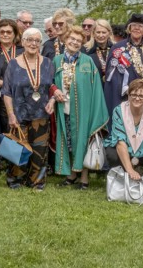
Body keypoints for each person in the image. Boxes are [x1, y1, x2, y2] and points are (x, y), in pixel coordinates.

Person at [52, 26, 109, 189]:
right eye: (72, 39)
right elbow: (51, 83)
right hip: (64, 110)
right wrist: (55, 92)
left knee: (83, 141)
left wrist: (95, 112)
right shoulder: (57, 61)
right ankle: (71, 174)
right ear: (65, 40)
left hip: (84, 110)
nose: (75, 43)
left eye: (79, 41)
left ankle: (84, 178)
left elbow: (97, 88)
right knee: (69, 141)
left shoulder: (87, 61)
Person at [2, 28, 57, 191]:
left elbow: (53, 86)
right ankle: (15, 180)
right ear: (23, 42)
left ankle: (36, 182)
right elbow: (6, 92)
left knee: (39, 151)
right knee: (18, 147)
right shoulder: (13, 64)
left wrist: (53, 100)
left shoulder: (47, 63)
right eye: (30, 40)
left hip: (41, 114)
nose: (33, 44)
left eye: (37, 41)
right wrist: (11, 114)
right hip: (19, 114)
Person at [102, 13, 143, 117]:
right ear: (129, 28)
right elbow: (113, 78)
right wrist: (132, 92)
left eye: (140, 26)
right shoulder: (118, 49)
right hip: (124, 98)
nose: (137, 28)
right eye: (134, 25)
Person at [83, 19, 113, 91]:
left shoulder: (115, 49)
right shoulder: (85, 50)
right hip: (94, 88)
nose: (101, 35)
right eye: (98, 32)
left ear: (109, 33)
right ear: (93, 33)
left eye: (104, 32)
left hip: (112, 88)